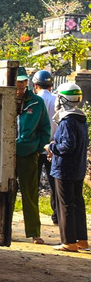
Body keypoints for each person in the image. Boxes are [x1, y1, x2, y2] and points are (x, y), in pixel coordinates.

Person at [14, 66, 52, 244]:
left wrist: (37, 149)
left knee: (30, 194)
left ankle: (34, 232)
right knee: (6, 194)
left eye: (23, 81)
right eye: (17, 82)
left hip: (28, 154)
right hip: (6, 154)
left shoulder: (37, 102)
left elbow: (45, 128)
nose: (20, 85)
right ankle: (4, 230)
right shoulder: (4, 99)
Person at [48, 83, 88, 252]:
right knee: (77, 202)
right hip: (78, 167)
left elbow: (67, 146)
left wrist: (51, 147)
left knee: (65, 205)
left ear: (64, 99)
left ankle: (69, 242)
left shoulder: (67, 121)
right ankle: (82, 240)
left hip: (64, 168)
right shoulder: (81, 119)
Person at [32, 70, 59, 223]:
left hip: (36, 148)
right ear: (51, 85)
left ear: (35, 85)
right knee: (55, 183)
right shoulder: (57, 100)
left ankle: (33, 216)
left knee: (33, 184)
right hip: (53, 148)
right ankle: (57, 215)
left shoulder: (34, 100)